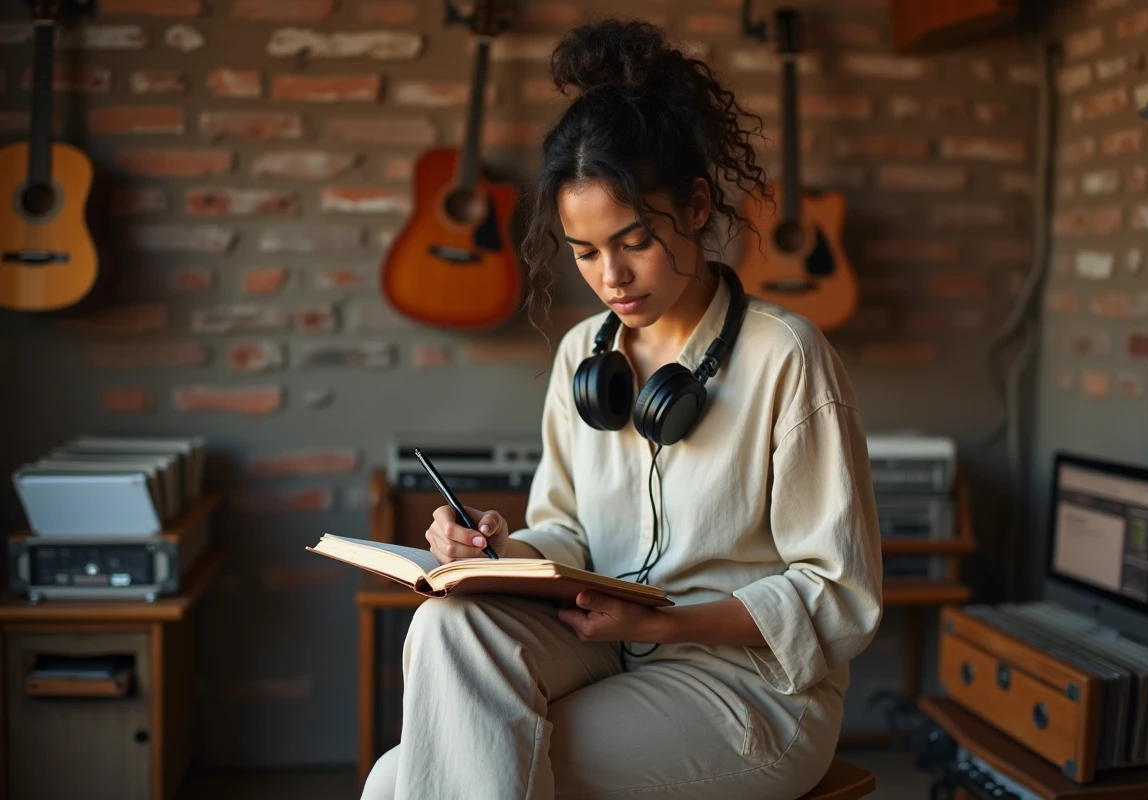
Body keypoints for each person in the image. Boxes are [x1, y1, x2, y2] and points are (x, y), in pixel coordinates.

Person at [361, 17, 882, 800]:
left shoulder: (787, 357)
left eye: (633, 241)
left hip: (749, 690)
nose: (612, 276)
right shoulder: (582, 356)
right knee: (446, 625)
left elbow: (839, 595)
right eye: (585, 253)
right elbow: (568, 529)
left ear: (699, 205)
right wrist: (497, 552)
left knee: (404, 779)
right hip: (603, 642)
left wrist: (660, 623)